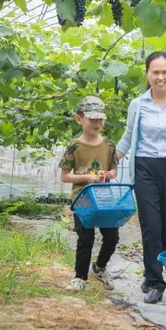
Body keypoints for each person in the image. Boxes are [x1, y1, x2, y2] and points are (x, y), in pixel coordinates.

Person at [116, 51, 166, 304]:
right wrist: (111, 162)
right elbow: (129, 137)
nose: (160, 77)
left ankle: (154, 269)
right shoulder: (138, 104)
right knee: (150, 224)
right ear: (147, 74)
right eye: (155, 72)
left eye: (165, 72)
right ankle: (155, 281)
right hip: (145, 167)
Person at [59, 96, 119, 292]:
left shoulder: (109, 146)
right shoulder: (74, 147)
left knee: (112, 236)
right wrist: (87, 178)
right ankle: (79, 277)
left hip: (105, 200)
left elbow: (114, 171)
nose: (97, 123)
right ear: (79, 119)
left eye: (100, 119)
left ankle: (100, 267)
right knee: (86, 239)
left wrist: (106, 174)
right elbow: (65, 176)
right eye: (92, 119)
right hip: (82, 200)